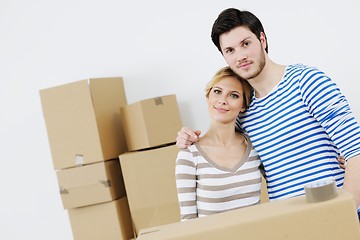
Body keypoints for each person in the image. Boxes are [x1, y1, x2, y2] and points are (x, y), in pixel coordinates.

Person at [176, 8, 360, 218]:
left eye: (246, 44)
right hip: (292, 227)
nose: (241, 56)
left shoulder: (306, 82)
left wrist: (344, 219)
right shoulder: (242, 110)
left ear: (262, 39)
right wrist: (187, 138)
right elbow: (220, 146)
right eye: (230, 50)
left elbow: (357, 154)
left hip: (340, 219)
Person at [175, 66, 262, 221]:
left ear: (243, 105)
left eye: (233, 95)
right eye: (217, 91)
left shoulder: (255, 147)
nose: (222, 100)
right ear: (208, 96)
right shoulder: (189, 155)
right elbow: (188, 222)